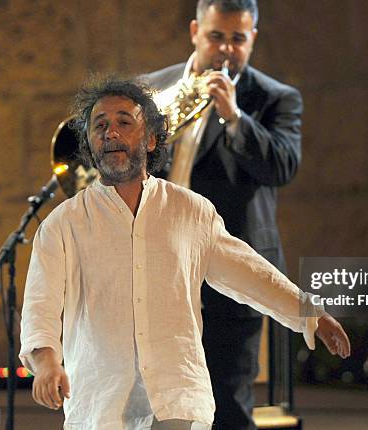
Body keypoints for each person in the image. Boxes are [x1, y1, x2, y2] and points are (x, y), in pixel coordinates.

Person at [19, 77, 349, 430]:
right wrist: (47, 363)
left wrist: (310, 315)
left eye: (123, 123)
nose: (110, 132)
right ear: (90, 144)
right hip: (101, 404)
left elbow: (250, 273)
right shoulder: (62, 224)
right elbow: (41, 308)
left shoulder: (190, 212)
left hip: (178, 398)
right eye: (100, 126)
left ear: (149, 139)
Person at [142, 1, 303, 428]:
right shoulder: (152, 88)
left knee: (227, 403)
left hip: (229, 270)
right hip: (159, 267)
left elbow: (282, 166)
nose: (226, 49)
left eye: (238, 39)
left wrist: (235, 117)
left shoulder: (274, 98)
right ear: (196, 31)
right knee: (157, 404)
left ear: (252, 39)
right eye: (216, 36)